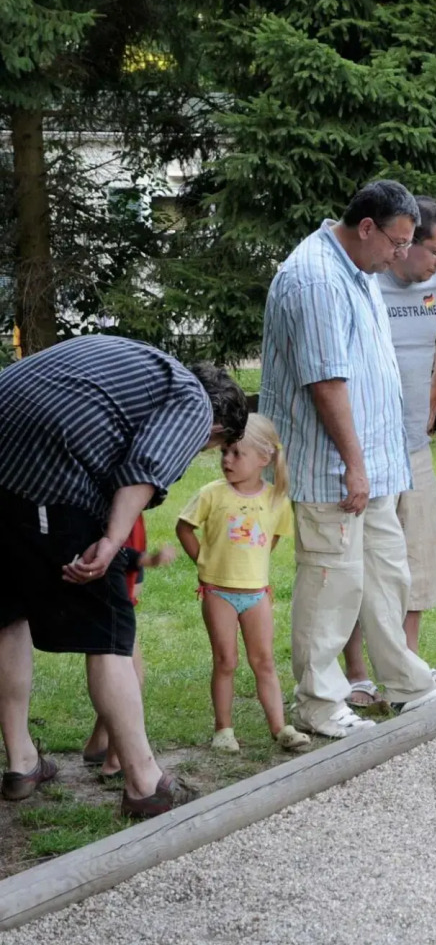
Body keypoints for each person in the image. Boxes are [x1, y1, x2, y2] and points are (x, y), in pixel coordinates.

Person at [0, 335, 247, 817]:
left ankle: (22, 760)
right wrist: (113, 541)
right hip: (46, 473)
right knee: (109, 633)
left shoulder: (142, 372)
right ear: (217, 426)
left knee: (8, 616)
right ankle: (144, 784)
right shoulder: (193, 400)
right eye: (211, 445)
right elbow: (145, 466)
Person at [260, 179, 436, 740]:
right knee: (330, 582)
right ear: (366, 227)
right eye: (396, 241)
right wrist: (355, 464)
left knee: (387, 575)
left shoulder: (358, 270)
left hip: (377, 465)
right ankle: (318, 702)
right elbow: (327, 382)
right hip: (334, 467)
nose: (400, 254)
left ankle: (405, 684)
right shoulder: (316, 277)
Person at [342, 195, 436, 707]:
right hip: (368, 446)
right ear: (406, 243)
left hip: (414, 446)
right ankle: (355, 675)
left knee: (415, 559)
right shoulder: (366, 283)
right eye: (434, 251)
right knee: (357, 561)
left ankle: (407, 667)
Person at [176, 414, 311, 753]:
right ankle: (223, 730)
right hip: (217, 593)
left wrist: (253, 572)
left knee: (264, 661)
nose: (227, 460)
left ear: (264, 459)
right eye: (224, 452)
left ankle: (280, 727)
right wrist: (205, 563)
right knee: (225, 661)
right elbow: (183, 527)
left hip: (257, 595)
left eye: (237, 453)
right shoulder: (211, 494)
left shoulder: (277, 500)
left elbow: (271, 539)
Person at [81, 514, 176, 780]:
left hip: (121, 575)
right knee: (129, 673)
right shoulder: (116, 495)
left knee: (124, 666)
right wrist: (144, 560)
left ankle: (100, 744)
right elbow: (109, 539)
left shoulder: (130, 502)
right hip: (109, 579)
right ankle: (116, 759)